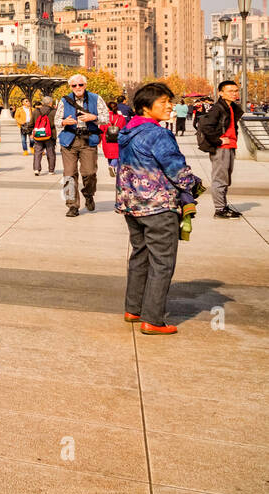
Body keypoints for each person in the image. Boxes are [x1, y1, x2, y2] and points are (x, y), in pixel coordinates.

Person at [115, 82, 203, 335]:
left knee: (140, 256)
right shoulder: (158, 134)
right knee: (162, 262)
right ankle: (153, 319)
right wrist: (193, 186)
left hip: (132, 205)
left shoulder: (127, 132)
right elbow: (176, 169)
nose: (169, 106)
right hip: (158, 206)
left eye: (169, 101)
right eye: (163, 102)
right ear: (145, 107)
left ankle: (133, 308)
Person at [58, 74, 109, 217]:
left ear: (85, 85)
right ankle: (72, 205)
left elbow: (106, 118)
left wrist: (94, 118)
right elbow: (57, 120)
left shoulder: (96, 98)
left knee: (89, 173)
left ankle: (88, 194)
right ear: (70, 87)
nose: (77, 88)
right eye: (74, 85)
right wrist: (63, 122)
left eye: (80, 85)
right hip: (69, 140)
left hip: (88, 140)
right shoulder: (64, 100)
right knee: (69, 174)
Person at [195, 79, 244, 218]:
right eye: (230, 91)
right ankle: (219, 209)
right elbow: (206, 127)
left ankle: (223, 206)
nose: (234, 93)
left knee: (225, 178)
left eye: (236, 91)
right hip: (221, 147)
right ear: (221, 93)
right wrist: (218, 140)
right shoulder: (217, 108)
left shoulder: (231, 107)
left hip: (230, 146)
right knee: (220, 179)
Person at [30, 95, 57, 176]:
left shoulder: (35, 111)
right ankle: (51, 170)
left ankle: (36, 169)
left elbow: (31, 123)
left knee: (37, 152)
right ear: (50, 103)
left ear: (42, 102)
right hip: (50, 135)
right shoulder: (54, 112)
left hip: (38, 134)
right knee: (50, 152)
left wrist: (30, 132)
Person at [102, 100, 129, 178]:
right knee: (117, 155)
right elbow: (124, 129)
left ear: (108, 108)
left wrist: (99, 140)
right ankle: (113, 166)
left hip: (106, 139)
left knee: (109, 155)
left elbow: (101, 128)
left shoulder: (105, 117)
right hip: (117, 138)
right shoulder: (121, 118)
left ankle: (111, 166)